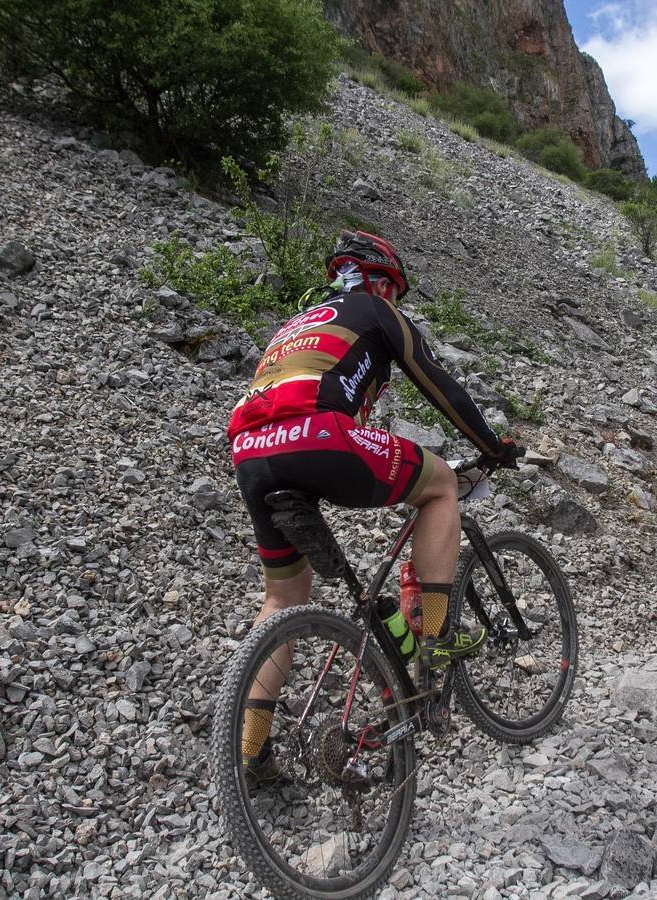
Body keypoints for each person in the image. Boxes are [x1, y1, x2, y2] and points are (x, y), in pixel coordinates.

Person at [227, 231, 516, 778]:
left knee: (284, 598)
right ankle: (433, 640)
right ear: (383, 281)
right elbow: (440, 386)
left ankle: (249, 750)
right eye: (395, 293)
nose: (395, 302)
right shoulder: (373, 308)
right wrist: (490, 447)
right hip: (320, 435)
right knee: (440, 488)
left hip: (250, 450)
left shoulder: (297, 324)